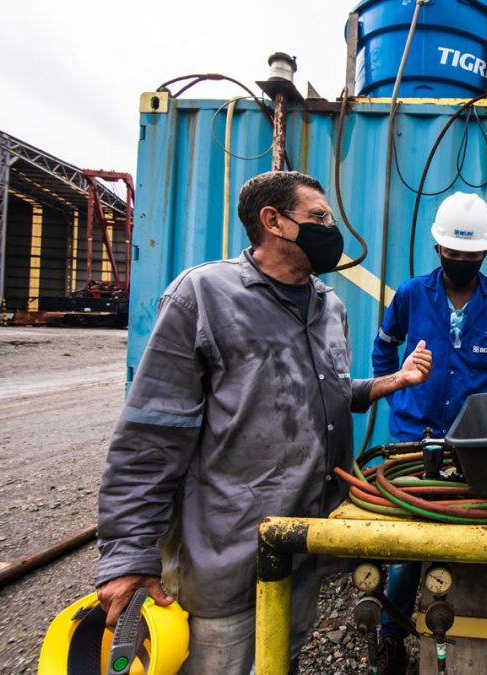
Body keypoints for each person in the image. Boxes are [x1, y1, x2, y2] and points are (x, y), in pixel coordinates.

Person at [95, 171, 433, 674]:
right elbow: (152, 435)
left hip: (303, 544)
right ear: (273, 221)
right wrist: (128, 553)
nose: (331, 229)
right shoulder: (203, 296)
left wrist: (394, 381)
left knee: (283, 659)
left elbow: (327, 395)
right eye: (318, 217)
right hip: (228, 553)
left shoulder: (329, 306)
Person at [370, 191, 487, 671]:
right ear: (438, 249)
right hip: (412, 439)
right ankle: (391, 636)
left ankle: (473, 633)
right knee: (408, 546)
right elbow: (383, 353)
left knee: (475, 534)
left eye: (472, 255)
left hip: (473, 446)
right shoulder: (410, 296)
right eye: (453, 252)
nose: (461, 261)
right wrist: (399, 393)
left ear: (485, 253)